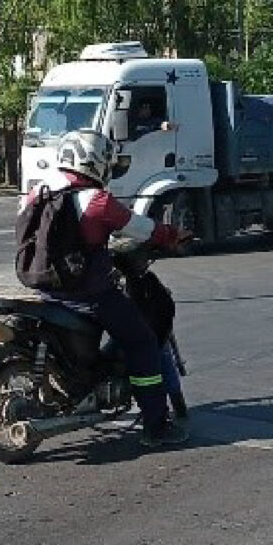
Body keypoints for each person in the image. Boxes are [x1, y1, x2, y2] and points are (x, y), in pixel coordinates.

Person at [22, 130, 192, 444]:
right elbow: (140, 228)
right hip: (88, 294)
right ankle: (156, 425)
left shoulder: (39, 191)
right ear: (98, 162)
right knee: (141, 340)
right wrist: (171, 235)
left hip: (46, 288)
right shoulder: (97, 201)